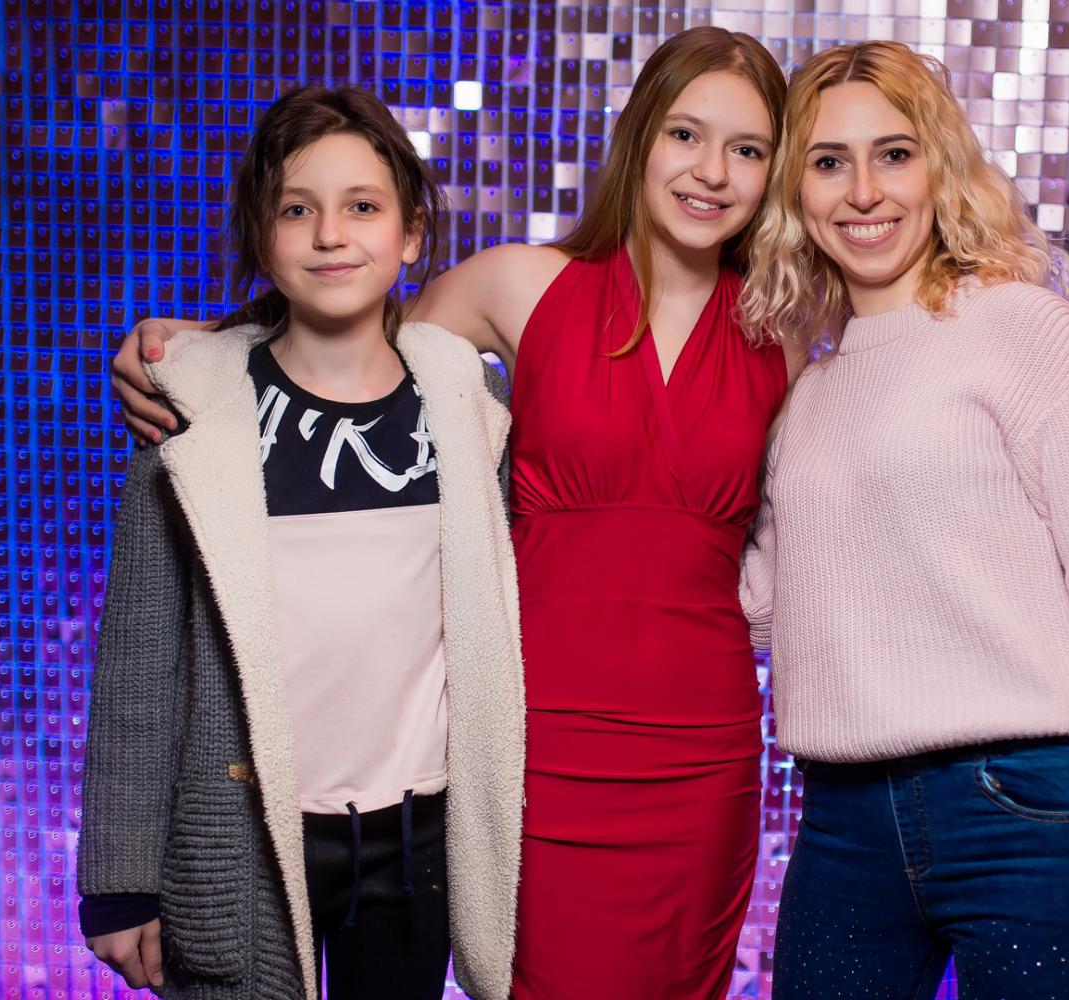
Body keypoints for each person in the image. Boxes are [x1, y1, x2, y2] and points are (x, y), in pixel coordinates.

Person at [104, 28, 801, 999]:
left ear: (773, 171)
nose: (711, 171)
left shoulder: (786, 335)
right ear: (640, 136)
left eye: (747, 148)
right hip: (534, 741)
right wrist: (205, 349)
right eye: (685, 133)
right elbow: (353, 339)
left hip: (702, 751)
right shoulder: (521, 283)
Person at [738, 41, 1069, 1000]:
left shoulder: (1023, 331)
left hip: (1025, 806)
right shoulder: (806, 394)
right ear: (795, 193)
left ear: (940, 167)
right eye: (829, 162)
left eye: (894, 154)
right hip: (843, 820)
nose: (864, 191)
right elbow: (761, 614)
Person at [77, 85, 524, 1000]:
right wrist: (119, 880)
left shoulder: (468, 406)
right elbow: (138, 660)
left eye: (362, 207)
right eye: (296, 210)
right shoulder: (191, 414)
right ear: (261, 235)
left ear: (411, 234)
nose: (330, 235)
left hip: (416, 841)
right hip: (239, 831)